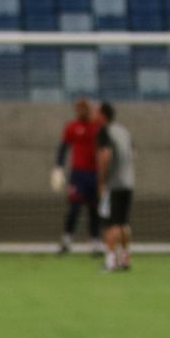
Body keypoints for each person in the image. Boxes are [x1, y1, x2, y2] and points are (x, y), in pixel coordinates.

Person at [54, 97, 102, 254]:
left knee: (94, 209)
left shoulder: (98, 127)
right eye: (79, 109)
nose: (81, 112)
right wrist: (58, 168)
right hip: (78, 174)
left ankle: (95, 243)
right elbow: (63, 147)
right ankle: (67, 240)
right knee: (74, 208)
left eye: (84, 108)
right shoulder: (72, 127)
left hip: (95, 174)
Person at [97, 101, 135, 273]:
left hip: (114, 183)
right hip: (128, 182)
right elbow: (133, 154)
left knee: (111, 224)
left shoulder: (105, 131)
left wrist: (102, 180)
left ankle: (111, 261)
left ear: (103, 115)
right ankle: (125, 259)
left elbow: (105, 155)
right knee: (123, 223)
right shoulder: (124, 131)